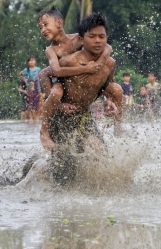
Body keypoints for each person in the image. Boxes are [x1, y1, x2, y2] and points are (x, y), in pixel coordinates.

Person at [46, 12, 122, 184]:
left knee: (100, 153)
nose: (97, 41)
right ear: (82, 39)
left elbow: (108, 85)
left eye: (101, 37)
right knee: (63, 174)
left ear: (106, 38)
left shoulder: (110, 63)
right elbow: (45, 74)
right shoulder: (68, 61)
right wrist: (59, 105)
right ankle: (42, 173)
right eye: (92, 36)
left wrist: (109, 101)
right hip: (62, 118)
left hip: (84, 116)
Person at [36, 6, 115, 150]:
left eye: (46, 25)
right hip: (61, 84)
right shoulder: (51, 50)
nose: (43, 30)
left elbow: (107, 48)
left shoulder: (77, 39)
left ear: (59, 23)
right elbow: (53, 72)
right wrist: (86, 69)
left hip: (81, 88)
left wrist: (97, 65)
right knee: (55, 92)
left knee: (99, 151)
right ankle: (44, 131)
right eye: (40, 27)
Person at [17, 56, 42, 120]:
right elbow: (20, 74)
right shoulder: (26, 70)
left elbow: (41, 76)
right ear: (28, 62)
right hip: (30, 84)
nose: (32, 62)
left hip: (36, 83)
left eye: (33, 60)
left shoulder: (38, 69)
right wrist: (25, 80)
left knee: (37, 100)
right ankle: (30, 117)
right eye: (30, 61)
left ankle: (37, 117)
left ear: (35, 61)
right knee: (30, 99)